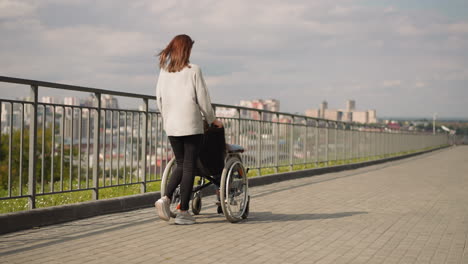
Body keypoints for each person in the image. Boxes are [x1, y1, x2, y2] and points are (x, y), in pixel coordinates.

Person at [155, 34, 223, 225]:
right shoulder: (194, 70)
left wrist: (167, 118)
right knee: (189, 166)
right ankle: (183, 212)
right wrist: (212, 119)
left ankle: (166, 198)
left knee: (181, 163)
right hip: (191, 125)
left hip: (172, 125)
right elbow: (203, 99)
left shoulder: (164, 71)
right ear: (187, 50)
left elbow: (159, 99)